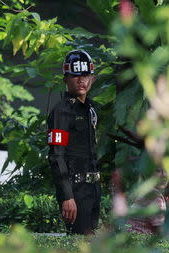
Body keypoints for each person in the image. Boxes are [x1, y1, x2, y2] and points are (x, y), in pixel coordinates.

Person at [47, 49, 101, 235]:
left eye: (86, 75)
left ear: (92, 78)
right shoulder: (62, 111)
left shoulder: (92, 109)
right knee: (80, 245)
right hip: (75, 190)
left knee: (92, 245)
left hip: (93, 188)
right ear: (65, 80)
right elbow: (56, 156)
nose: (81, 80)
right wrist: (67, 196)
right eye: (75, 76)